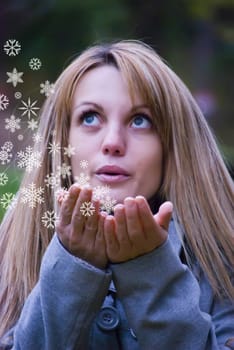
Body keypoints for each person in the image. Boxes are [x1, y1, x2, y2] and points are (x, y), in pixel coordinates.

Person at [0, 40, 233, 350]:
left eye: (140, 121)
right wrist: (72, 266)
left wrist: (150, 270)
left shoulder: (221, 258)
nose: (113, 142)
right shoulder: (11, 254)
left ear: (173, 147)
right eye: (90, 117)